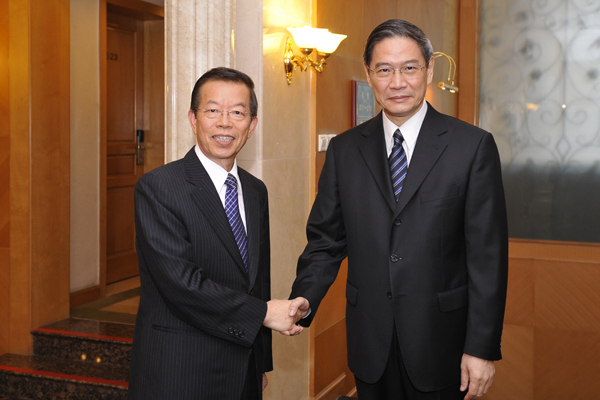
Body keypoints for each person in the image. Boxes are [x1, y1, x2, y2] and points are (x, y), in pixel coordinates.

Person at [287, 19, 509, 400]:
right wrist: (304, 297)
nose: (397, 82)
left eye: (409, 68)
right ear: (368, 74)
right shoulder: (344, 150)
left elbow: (488, 258)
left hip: (443, 345)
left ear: (429, 70)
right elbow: (325, 240)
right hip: (370, 342)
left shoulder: (471, 147)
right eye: (384, 70)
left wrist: (481, 347)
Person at [128, 67, 305, 400]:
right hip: (180, 369)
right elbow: (181, 284)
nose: (225, 123)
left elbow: (258, 281)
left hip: (243, 365)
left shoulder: (255, 190)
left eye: (237, 112)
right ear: (193, 119)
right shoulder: (159, 187)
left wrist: (260, 363)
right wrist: (265, 314)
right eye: (212, 111)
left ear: (252, 125)